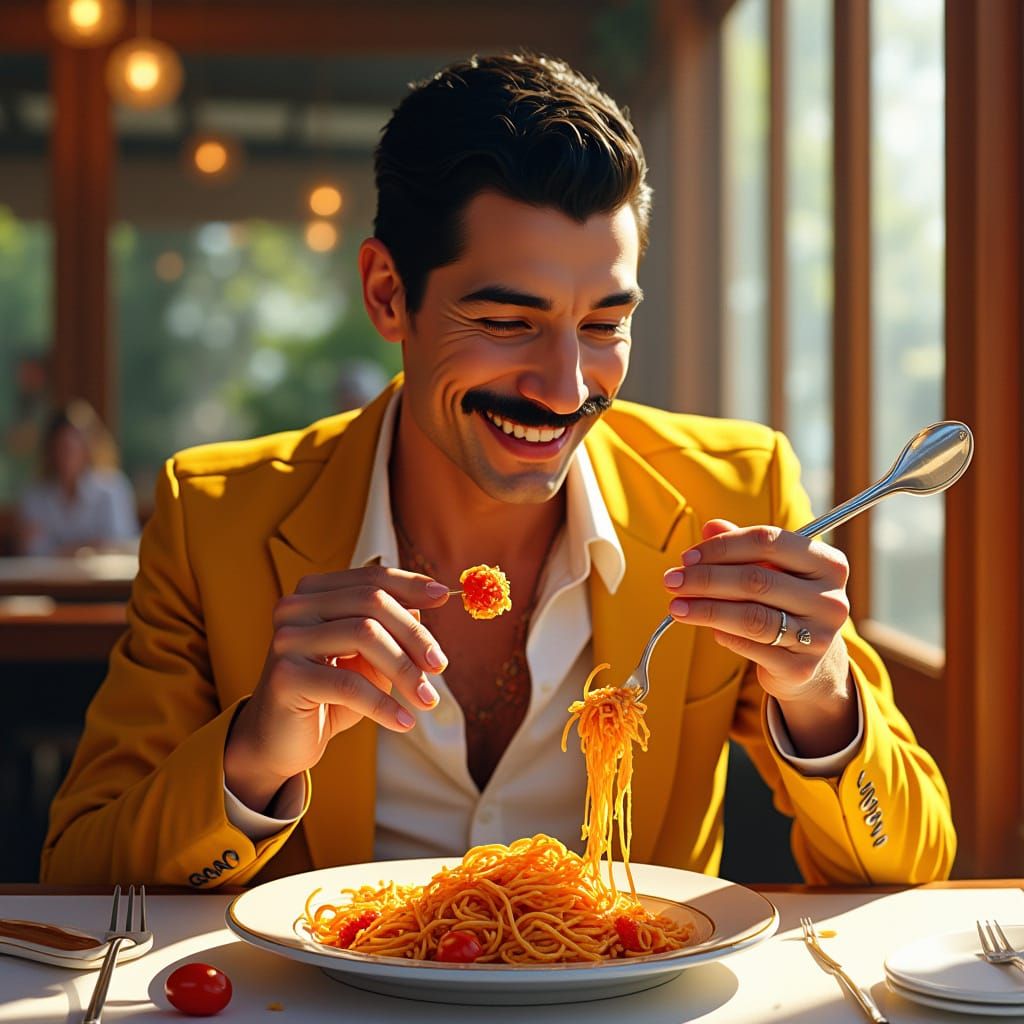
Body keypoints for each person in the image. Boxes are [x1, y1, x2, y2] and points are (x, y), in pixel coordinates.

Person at [42, 54, 954, 888]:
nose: (566, 389)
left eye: (603, 325)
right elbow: (80, 873)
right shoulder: (214, 517)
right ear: (388, 294)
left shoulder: (735, 489)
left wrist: (821, 691)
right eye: (508, 323)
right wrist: (255, 755)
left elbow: (909, 866)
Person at [15, 399, 139, 557]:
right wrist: (87, 548)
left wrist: (64, 550)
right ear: (50, 451)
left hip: (102, 574)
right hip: (50, 574)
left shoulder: (111, 488)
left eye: (73, 447)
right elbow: (34, 549)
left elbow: (119, 543)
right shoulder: (36, 495)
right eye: (61, 447)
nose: (67, 455)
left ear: (88, 448)